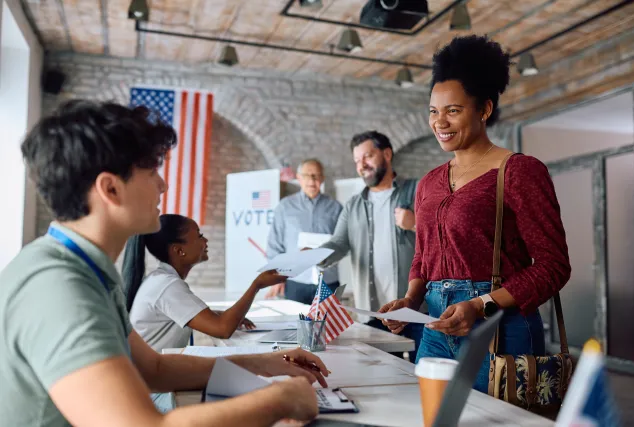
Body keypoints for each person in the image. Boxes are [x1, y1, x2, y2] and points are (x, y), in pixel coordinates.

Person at [0, 100, 328, 427]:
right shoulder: (58, 288)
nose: (163, 185)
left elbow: (153, 369)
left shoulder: (84, 270)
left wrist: (270, 363)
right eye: (151, 172)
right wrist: (279, 399)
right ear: (111, 188)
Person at [379, 35, 571, 392]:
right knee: (433, 416)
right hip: (436, 326)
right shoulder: (429, 182)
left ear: (483, 109)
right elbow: (424, 257)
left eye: (453, 110)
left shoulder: (518, 171)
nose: (440, 122)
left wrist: (481, 305)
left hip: (500, 326)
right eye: (434, 111)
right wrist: (410, 299)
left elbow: (553, 266)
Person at [317, 131, 423, 362]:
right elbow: (339, 243)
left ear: (386, 154)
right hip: (374, 313)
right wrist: (314, 256)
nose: (361, 165)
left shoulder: (418, 190)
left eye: (367, 156)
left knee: (420, 377)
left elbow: (442, 235)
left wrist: (415, 223)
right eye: (357, 161)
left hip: (415, 309)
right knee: (380, 375)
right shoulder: (353, 204)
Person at [123, 213, 287, 348]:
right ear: (179, 250)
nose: (205, 241)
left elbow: (184, 313)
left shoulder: (161, 280)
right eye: (200, 236)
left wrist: (218, 315)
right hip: (150, 384)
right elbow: (223, 329)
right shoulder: (167, 286)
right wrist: (256, 285)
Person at [265, 159, 343, 304]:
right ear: (298, 177)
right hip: (295, 282)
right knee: (294, 324)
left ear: (322, 178)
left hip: (328, 282)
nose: (312, 180)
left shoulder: (336, 208)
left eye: (316, 175)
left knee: (328, 325)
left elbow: (342, 243)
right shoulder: (285, 207)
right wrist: (276, 277)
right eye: (307, 175)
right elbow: (274, 246)